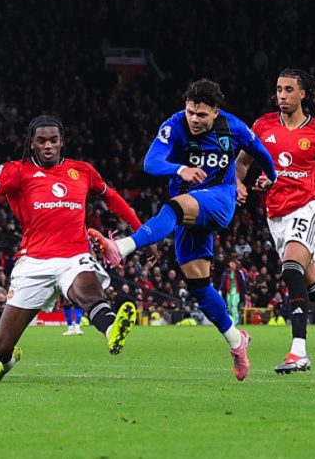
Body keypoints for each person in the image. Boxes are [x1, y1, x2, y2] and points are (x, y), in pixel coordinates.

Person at [92, 79, 277, 381]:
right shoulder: (175, 125)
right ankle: (236, 342)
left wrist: (271, 177)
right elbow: (151, 163)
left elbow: (260, 151)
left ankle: (122, 248)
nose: (194, 118)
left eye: (201, 114)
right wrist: (180, 169)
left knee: (172, 208)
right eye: (190, 111)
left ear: (216, 112)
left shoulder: (233, 127)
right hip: (191, 209)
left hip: (218, 199)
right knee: (199, 287)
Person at [0, 115, 142, 383]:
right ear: (32, 144)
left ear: (61, 142)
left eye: (53, 140)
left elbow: (113, 198)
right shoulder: (16, 171)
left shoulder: (82, 171)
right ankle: (8, 361)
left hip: (74, 256)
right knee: (0, 347)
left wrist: (141, 233)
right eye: (41, 141)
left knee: (89, 294)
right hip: (34, 262)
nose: (48, 145)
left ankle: (112, 330)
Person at [236, 69, 315, 374]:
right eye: (279, 89)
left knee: (290, 269)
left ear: (302, 94)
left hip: (308, 207)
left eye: (289, 90)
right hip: (276, 214)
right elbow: (242, 162)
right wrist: (238, 185)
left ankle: (299, 352)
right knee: (313, 286)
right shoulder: (262, 126)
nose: (282, 95)